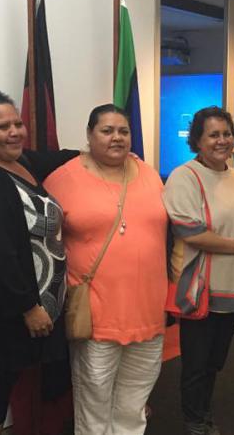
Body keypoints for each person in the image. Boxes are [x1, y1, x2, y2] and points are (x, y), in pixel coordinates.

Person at [0, 87, 77, 435]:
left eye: (18, 124)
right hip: (7, 318)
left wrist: (104, 151)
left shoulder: (21, 162)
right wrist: (27, 307)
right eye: (3, 127)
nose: (15, 132)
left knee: (29, 393)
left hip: (37, 310)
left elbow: (61, 156)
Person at [44, 104, 168, 435]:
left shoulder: (149, 174)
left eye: (123, 131)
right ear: (89, 134)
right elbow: (43, 248)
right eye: (107, 130)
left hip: (149, 312)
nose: (117, 138)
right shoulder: (62, 179)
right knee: (94, 402)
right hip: (96, 315)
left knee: (134, 402)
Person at [163, 106, 234, 435]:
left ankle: (203, 413)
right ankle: (194, 420)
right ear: (197, 140)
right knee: (196, 363)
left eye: (227, 133)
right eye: (213, 135)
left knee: (216, 362)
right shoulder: (184, 176)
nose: (222, 141)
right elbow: (190, 232)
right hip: (201, 287)